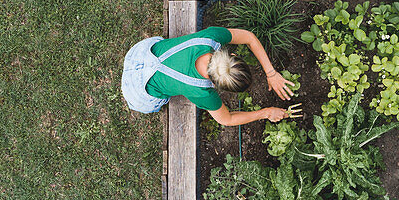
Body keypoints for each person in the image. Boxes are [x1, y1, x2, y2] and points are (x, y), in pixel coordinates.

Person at [122, 27, 295, 126]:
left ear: (231, 56)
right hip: (136, 91)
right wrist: (266, 113)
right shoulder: (202, 92)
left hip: (140, 54)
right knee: (157, 100)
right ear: (216, 87)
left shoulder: (209, 38)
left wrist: (271, 73)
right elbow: (227, 119)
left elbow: (249, 37)